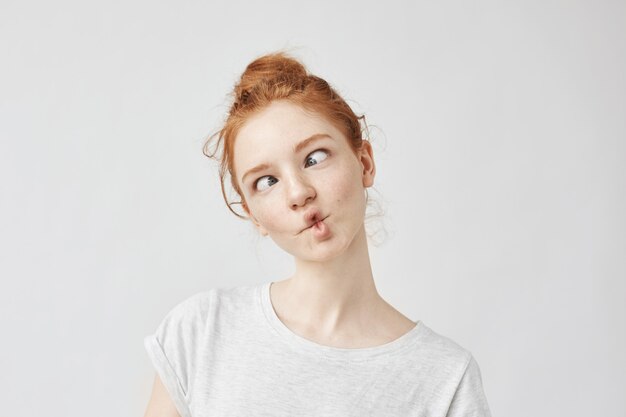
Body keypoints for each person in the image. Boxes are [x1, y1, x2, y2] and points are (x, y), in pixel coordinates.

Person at [142, 51, 493, 417]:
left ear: (365, 163)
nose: (298, 193)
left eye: (314, 157)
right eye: (266, 181)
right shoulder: (201, 332)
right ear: (253, 214)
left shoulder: (444, 377)